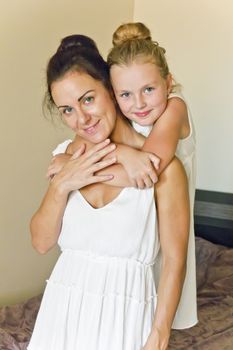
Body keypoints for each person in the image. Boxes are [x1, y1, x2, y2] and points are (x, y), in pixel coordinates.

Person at [28, 34, 190, 350]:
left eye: (88, 99)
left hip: (125, 316)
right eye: (67, 109)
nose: (81, 119)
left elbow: (174, 261)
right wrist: (62, 184)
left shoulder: (162, 169)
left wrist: (159, 336)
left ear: (111, 91)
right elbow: (41, 242)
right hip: (62, 313)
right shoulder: (66, 158)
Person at [107, 22, 197, 328]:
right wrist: (120, 154)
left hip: (169, 226)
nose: (139, 103)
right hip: (135, 229)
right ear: (114, 95)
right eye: (126, 94)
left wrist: (83, 173)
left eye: (149, 89)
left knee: (160, 302)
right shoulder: (122, 114)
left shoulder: (175, 108)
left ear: (168, 82)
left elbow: (150, 166)